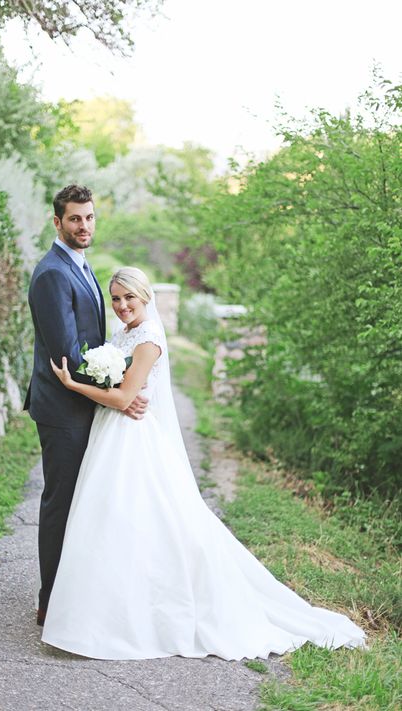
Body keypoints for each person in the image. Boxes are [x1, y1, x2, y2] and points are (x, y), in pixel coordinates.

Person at [41, 266, 366, 661]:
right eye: (116, 298)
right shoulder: (124, 334)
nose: (122, 305)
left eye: (130, 297)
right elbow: (123, 391)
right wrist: (111, 388)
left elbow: (127, 398)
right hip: (112, 434)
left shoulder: (149, 339)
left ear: (146, 298)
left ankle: (135, 617)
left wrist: (75, 385)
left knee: (134, 517)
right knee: (113, 519)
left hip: (134, 439)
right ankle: (105, 611)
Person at [24, 186, 146, 626]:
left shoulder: (80, 265)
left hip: (81, 405)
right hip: (62, 408)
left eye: (90, 217)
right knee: (61, 502)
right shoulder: (53, 272)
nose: (84, 226)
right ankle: (50, 601)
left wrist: (121, 385)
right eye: (75, 219)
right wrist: (119, 394)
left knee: (83, 500)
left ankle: (75, 593)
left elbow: (93, 342)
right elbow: (68, 355)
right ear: (57, 222)